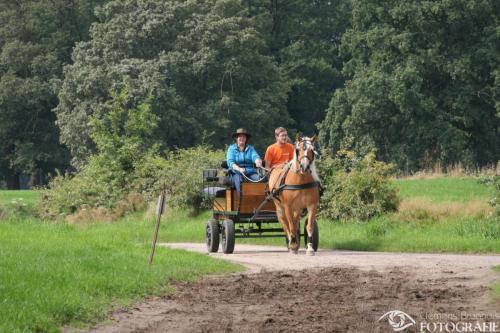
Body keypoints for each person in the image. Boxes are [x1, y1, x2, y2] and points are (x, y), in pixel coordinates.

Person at [226, 128, 263, 195]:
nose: (242, 138)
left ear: (246, 139)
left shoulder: (251, 148)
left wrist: (258, 161)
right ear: (236, 138)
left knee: (260, 180)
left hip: (250, 172)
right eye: (240, 136)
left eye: (244, 137)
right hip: (236, 172)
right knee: (239, 182)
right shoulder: (231, 148)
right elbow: (230, 162)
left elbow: (255, 156)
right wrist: (239, 169)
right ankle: (240, 203)